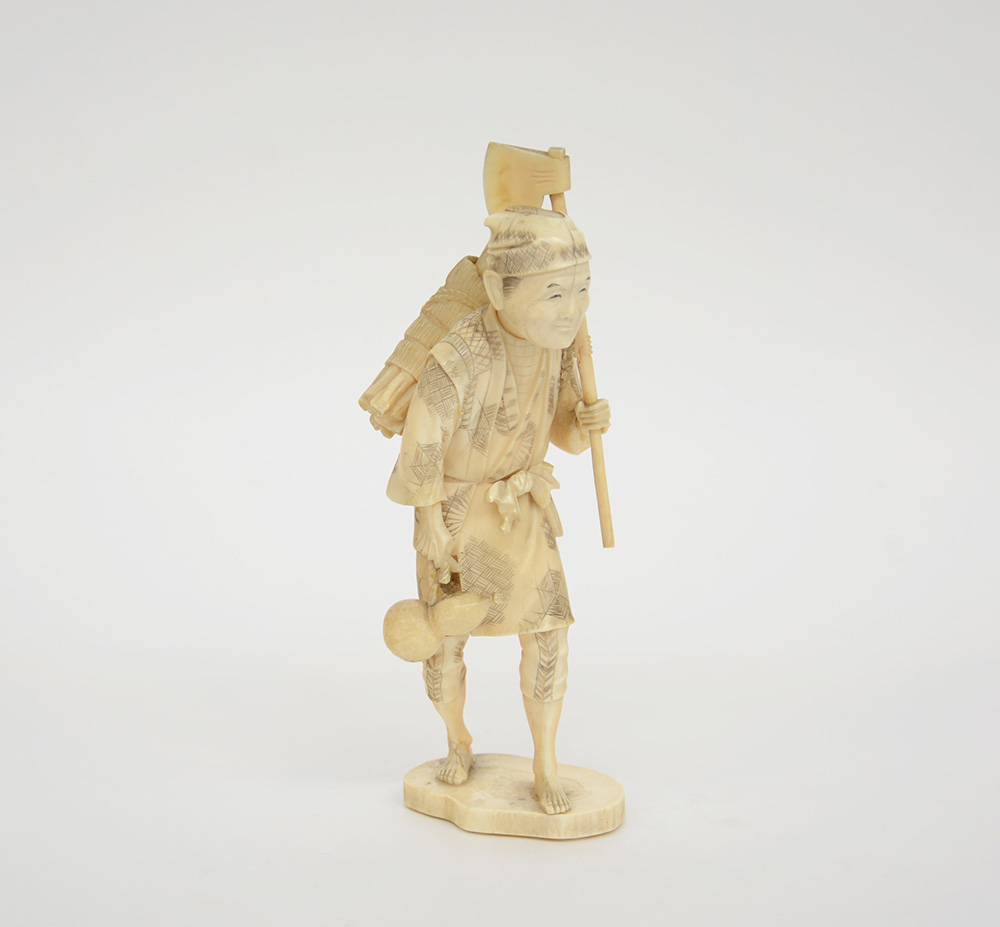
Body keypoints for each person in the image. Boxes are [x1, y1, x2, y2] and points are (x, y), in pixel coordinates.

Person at [386, 206, 611, 815]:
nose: (572, 310)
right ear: (496, 287)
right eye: (555, 293)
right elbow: (422, 440)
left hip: (523, 510)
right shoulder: (458, 353)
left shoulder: (559, 346)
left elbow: (562, 430)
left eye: (583, 290)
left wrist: (584, 422)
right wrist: (430, 520)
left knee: (549, 632)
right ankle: (457, 739)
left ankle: (545, 763)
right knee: (444, 640)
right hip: (457, 513)